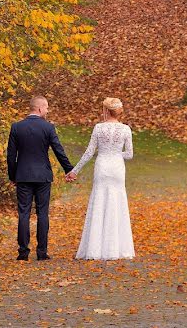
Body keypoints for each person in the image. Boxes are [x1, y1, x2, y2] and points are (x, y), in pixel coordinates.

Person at [66, 97, 135, 260]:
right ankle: (116, 248)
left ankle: (95, 249)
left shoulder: (98, 128)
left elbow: (89, 152)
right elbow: (130, 154)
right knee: (117, 201)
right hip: (117, 168)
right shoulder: (126, 129)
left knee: (99, 201)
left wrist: (74, 171)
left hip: (102, 166)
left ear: (105, 111)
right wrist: (117, 154)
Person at [6, 95, 73, 261]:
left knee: (24, 213)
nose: (48, 111)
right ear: (40, 108)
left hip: (23, 176)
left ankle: (23, 252)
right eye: (47, 108)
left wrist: (13, 175)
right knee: (43, 213)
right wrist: (69, 169)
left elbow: (10, 155)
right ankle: (42, 252)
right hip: (43, 176)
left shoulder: (16, 127)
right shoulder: (48, 127)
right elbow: (59, 150)